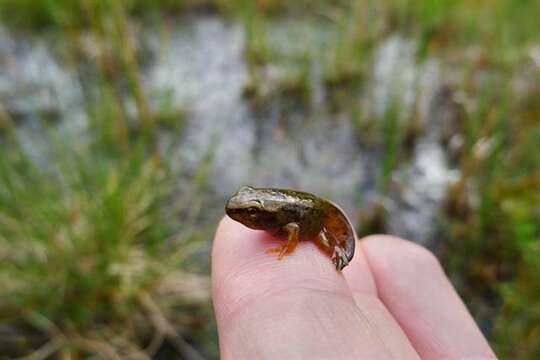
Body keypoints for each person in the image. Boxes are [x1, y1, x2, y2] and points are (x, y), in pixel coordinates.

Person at [212, 216, 497, 359]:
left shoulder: (289, 221)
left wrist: (288, 250)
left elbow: (296, 230)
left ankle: (340, 251)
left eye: (249, 213)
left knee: (327, 240)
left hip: (314, 218)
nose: (242, 217)